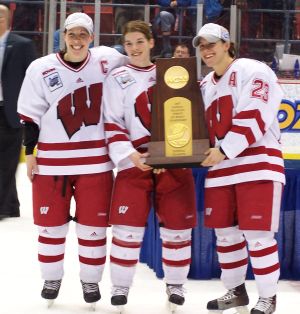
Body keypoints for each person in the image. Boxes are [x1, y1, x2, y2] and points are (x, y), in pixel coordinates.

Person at [17, 12, 128, 308]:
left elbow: (140, 66)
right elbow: (30, 115)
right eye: (72, 34)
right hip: (53, 162)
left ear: (92, 38)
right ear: (63, 36)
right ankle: (51, 277)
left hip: (96, 163)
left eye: (83, 35)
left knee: (93, 228)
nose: (77, 41)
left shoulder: (107, 60)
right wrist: (30, 153)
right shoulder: (41, 68)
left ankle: (90, 281)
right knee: (50, 227)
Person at [103, 20, 197, 311]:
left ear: (152, 43)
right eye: (128, 43)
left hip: (173, 161)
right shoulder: (117, 77)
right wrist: (130, 155)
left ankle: (176, 285)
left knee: (177, 230)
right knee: (126, 231)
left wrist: (168, 154)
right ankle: (120, 287)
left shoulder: (171, 74)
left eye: (139, 42)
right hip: (135, 161)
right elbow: (113, 122)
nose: (133, 48)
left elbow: (187, 117)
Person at [192, 23, 285, 314]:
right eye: (202, 46)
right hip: (221, 170)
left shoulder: (252, 70)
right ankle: (235, 292)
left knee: (258, 237)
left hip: (257, 164)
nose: (207, 50)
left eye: (212, 44)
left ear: (227, 44)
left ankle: (268, 298)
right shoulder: (205, 85)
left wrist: (224, 149)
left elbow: (255, 115)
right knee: (226, 237)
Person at [0, 4, 36, 220]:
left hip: (11, 111)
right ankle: (11, 205)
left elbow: (32, 80)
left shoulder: (23, 45)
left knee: (8, 161)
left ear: (7, 20)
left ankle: (4, 207)